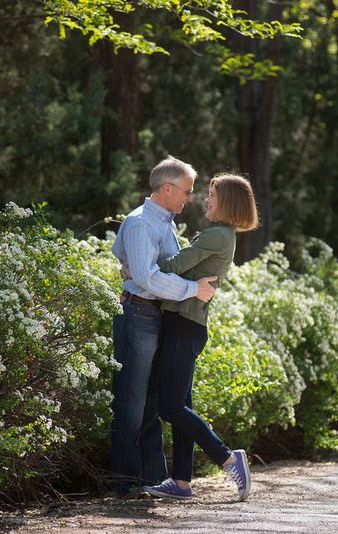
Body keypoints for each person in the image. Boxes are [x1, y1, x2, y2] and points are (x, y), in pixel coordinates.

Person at [141, 173, 259, 501]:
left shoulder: (218, 235)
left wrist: (139, 268)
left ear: (228, 203)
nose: (206, 200)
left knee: (171, 407)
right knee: (181, 406)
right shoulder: (221, 234)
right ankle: (180, 482)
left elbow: (177, 264)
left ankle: (227, 458)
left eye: (212, 194)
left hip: (184, 327)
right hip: (184, 326)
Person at [111, 156, 218, 499]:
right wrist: (193, 290)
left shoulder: (165, 222)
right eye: (186, 191)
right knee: (132, 401)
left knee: (153, 403)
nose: (190, 198)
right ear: (167, 189)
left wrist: (133, 269)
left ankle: (152, 481)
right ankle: (127, 483)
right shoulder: (142, 222)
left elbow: (122, 255)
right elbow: (148, 276)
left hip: (157, 316)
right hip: (140, 315)